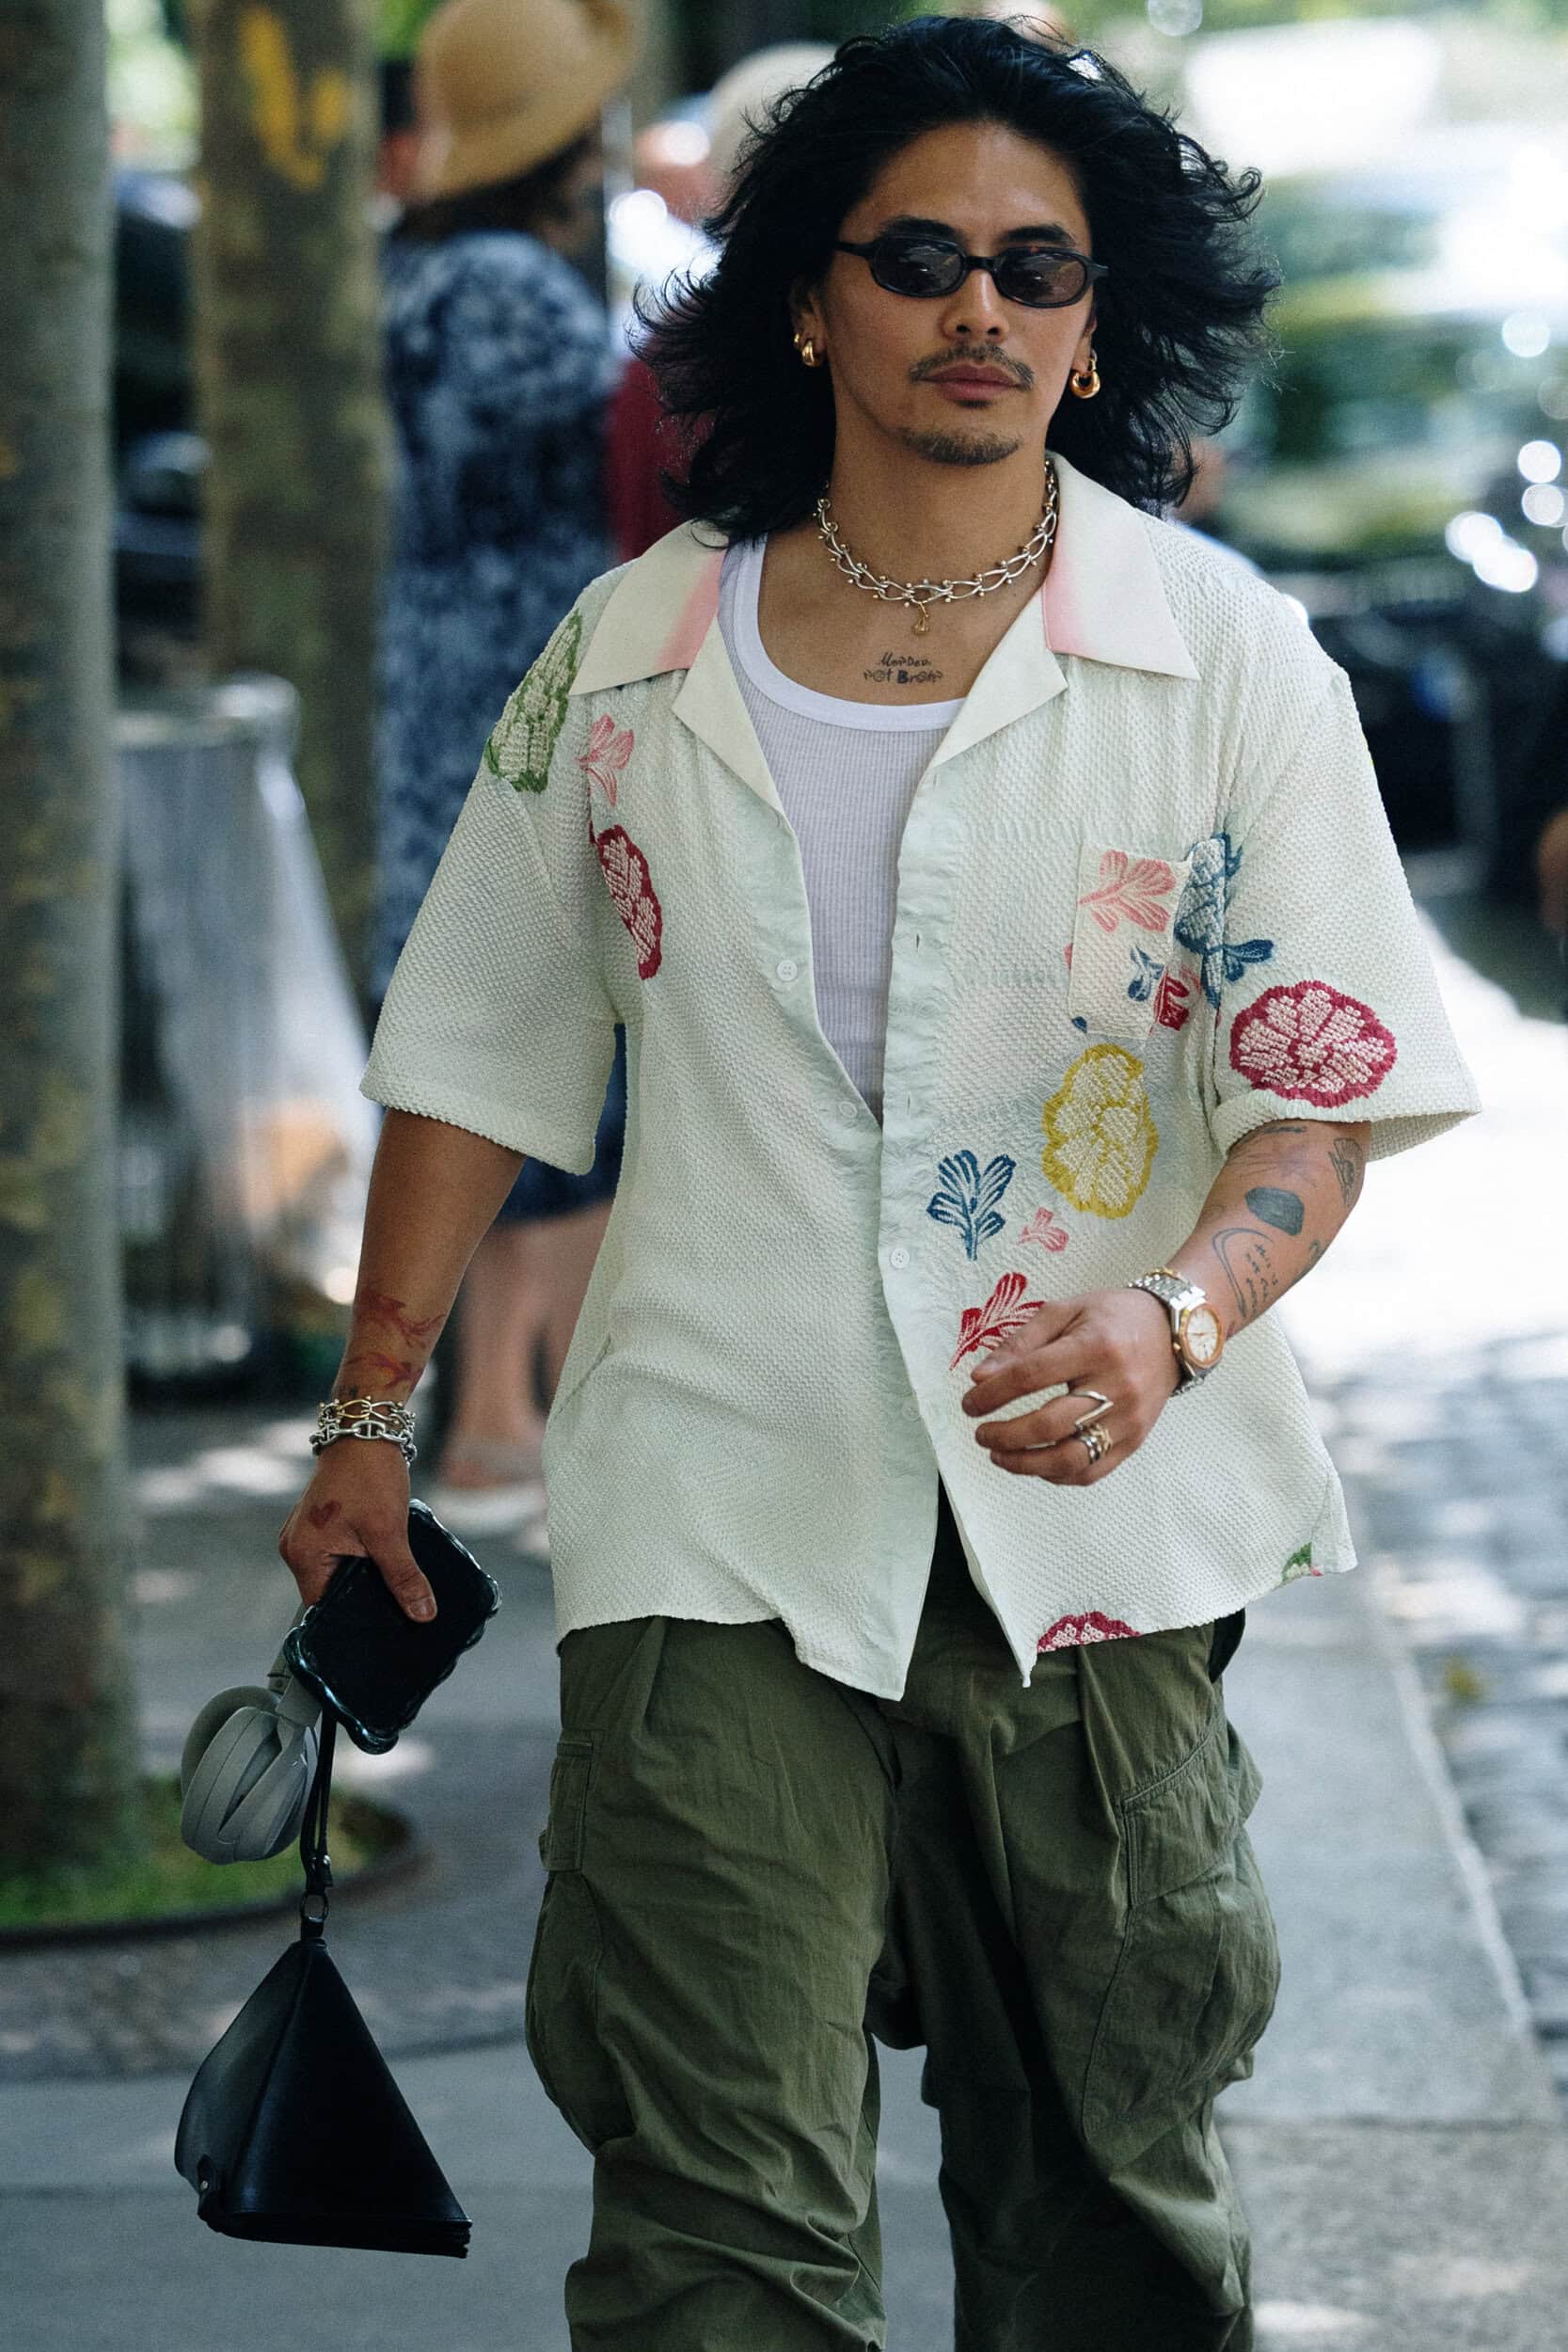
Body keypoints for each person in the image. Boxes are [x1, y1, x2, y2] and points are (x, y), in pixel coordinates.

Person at [284, 19, 1481, 2344]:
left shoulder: (1225, 658)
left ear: (1097, 324)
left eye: (1040, 267)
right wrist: (369, 1415)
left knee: (1103, 2210)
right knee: (715, 2234)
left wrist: (1181, 1315)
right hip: (715, 1502)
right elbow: (476, 1045)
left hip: (1098, 1533)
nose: (982, 309)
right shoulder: (634, 653)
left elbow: (1313, 1097)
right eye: (919, 256)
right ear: (811, 302)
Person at [373, 0, 642, 1527]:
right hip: (518, 694)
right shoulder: (511, 288)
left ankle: (509, 1418)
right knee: (555, 1061)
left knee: (494, 1048)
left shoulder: (420, 271)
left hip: (443, 685)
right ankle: (502, 1422)